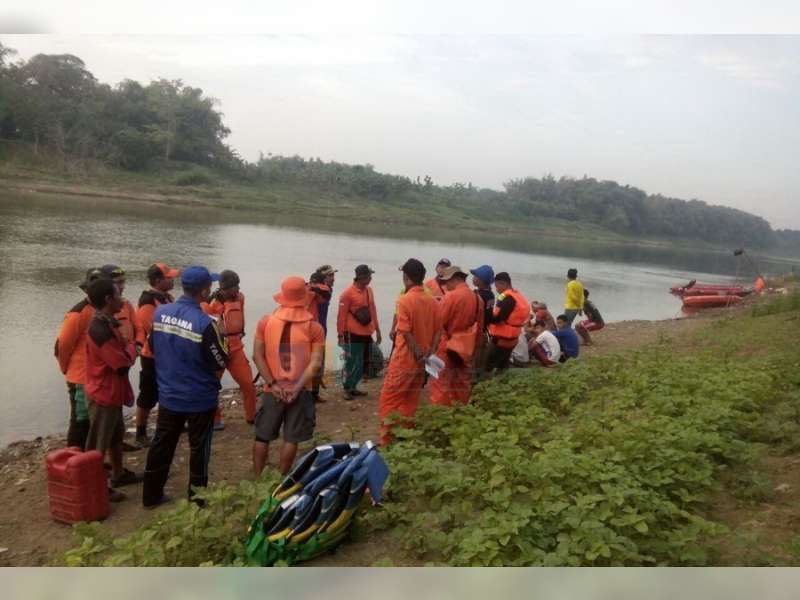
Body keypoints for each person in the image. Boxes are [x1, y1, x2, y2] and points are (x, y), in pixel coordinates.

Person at [142, 266, 229, 509]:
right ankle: (197, 502)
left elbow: (153, 348)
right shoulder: (205, 323)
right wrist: (223, 336)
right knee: (199, 449)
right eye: (208, 287)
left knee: (162, 444)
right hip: (199, 398)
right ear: (204, 291)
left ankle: (150, 496)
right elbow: (221, 361)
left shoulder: (160, 313)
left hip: (169, 394)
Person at [251, 276, 325, 476]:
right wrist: (297, 387)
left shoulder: (265, 322)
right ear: (305, 297)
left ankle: (258, 477)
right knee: (291, 438)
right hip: (300, 390)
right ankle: (282, 479)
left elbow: (257, 356)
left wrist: (273, 384)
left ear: (282, 296)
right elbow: (315, 364)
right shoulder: (315, 328)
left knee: (262, 436)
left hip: (272, 389)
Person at [84, 278, 141, 502]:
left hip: (111, 391)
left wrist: (129, 348)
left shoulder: (107, 322)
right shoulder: (99, 329)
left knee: (115, 437)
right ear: (108, 299)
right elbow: (121, 363)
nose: (123, 298)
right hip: (103, 394)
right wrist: (134, 348)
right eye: (118, 294)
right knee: (98, 444)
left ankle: (118, 474)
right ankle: (94, 488)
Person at [378, 259, 440, 445]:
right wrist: (428, 355)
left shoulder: (404, 300)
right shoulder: (433, 301)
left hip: (405, 360)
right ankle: (406, 436)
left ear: (406, 278)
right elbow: (438, 332)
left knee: (389, 399)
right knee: (410, 399)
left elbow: (404, 331)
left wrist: (417, 354)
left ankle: (387, 440)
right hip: (423, 362)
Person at [55, 267, 102, 450]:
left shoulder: (99, 310)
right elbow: (62, 346)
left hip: (94, 375)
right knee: (80, 420)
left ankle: (88, 461)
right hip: (80, 376)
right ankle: (73, 461)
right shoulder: (78, 313)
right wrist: (66, 369)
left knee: (91, 420)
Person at [202, 269, 258, 425]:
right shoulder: (210, 304)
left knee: (248, 384)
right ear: (225, 288)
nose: (239, 289)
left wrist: (241, 331)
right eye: (235, 286)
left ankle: (251, 416)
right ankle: (215, 420)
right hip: (218, 349)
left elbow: (240, 316)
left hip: (236, 348)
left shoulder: (240, 297)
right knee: (212, 386)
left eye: (239, 285)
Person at [134, 262, 179, 447]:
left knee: (167, 390)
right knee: (148, 395)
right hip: (152, 357)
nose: (173, 280)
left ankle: (164, 426)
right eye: (169, 278)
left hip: (168, 355)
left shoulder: (166, 297)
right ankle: (140, 433)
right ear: (158, 280)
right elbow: (150, 329)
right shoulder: (147, 301)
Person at [429, 266, 483, 406]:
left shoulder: (450, 297)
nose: (445, 285)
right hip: (466, 349)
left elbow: (439, 323)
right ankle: (460, 413)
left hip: (446, 346)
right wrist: (474, 351)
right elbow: (479, 330)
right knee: (462, 383)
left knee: (440, 383)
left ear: (454, 279)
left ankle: (440, 416)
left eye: (446, 281)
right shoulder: (478, 299)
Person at [337, 264, 381, 400]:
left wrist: (378, 330)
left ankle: (353, 386)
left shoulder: (369, 291)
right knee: (351, 361)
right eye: (369, 276)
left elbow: (373, 311)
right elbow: (341, 316)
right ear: (361, 277)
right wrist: (340, 335)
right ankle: (346, 388)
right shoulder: (347, 294)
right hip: (352, 333)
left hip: (367, 332)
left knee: (364, 362)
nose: (371, 278)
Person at [485, 272, 529, 375]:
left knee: (489, 364)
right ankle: (502, 382)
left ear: (503, 284)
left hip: (502, 338)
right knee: (503, 363)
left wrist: (486, 315)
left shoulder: (508, 299)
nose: (496, 289)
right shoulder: (517, 295)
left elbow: (498, 318)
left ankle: (485, 385)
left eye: (497, 286)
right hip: (513, 337)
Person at [308, 265, 336, 402]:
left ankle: (314, 392)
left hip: (320, 330)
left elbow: (325, 293)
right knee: (312, 362)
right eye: (330, 276)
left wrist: (311, 287)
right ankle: (310, 392)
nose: (333, 279)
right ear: (322, 278)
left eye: (333, 275)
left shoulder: (324, 291)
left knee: (318, 362)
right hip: (310, 331)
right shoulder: (311, 291)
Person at [98, 265, 139, 345]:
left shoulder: (127, 305)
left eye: (123, 282)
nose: (123, 287)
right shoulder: (91, 309)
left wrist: (138, 345)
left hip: (127, 354)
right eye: (119, 282)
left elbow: (138, 328)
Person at [470, 265, 495, 379]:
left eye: (475, 276)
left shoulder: (479, 295)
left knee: (474, 356)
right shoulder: (490, 294)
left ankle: (473, 379)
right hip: (485, 329)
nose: (473, 277)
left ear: (481, 280)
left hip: (477, 330)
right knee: (479, 357)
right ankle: (477, 377)